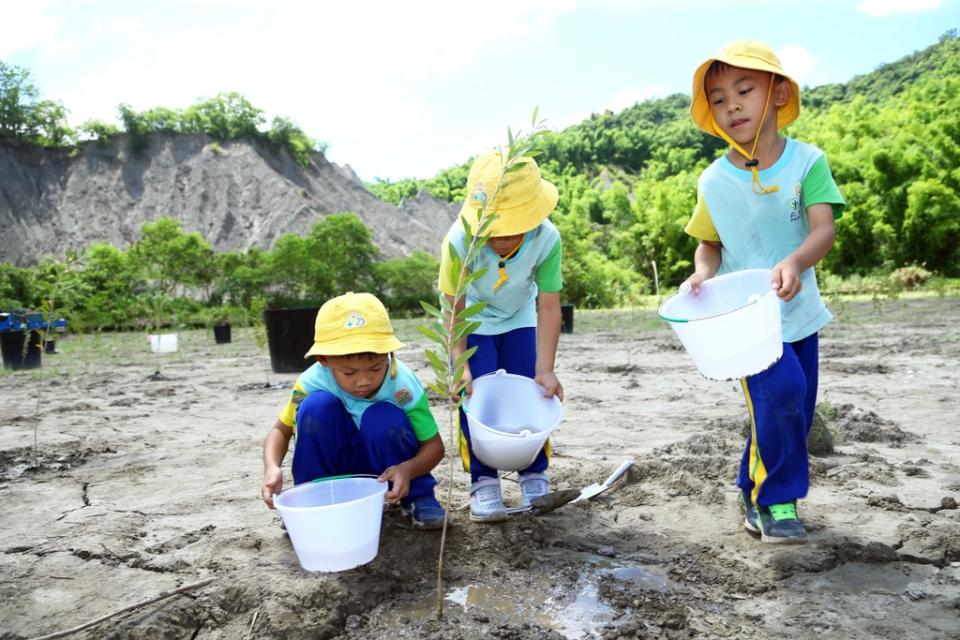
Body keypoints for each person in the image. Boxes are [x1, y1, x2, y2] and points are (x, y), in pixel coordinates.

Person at [682, 40, 846, 543]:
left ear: (777, 94)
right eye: (718, 97)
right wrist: (701, 274)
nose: (731, 103)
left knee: (790, 407)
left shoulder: (807, 162)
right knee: (783, 398)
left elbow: (824, 229)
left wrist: (794, 262)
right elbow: (709, 244)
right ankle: (774, 501)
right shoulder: (713, 181)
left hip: (798, 315)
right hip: (747, 325)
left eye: (744, 90)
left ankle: (747, 483)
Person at [438, 149, 564, 523]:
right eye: (489, 231)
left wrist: (546, 368)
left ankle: (534, 475)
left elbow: (549, 306)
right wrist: (459, 365)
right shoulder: (458, 242)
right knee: (476, 396)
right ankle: (484, 482)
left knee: (532, 390)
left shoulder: (547, 239)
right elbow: (454, 308)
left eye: (510, 231)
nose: (498, 240)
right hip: (473, 321)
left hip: (520, 316)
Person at [260, 292, 447, 530]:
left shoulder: (403, 385)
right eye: (349, 373)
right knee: (316, 408)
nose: (363, 381)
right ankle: (313, 501)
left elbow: (434, 446)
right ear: (324, 360)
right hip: (335, 473)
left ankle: (418, 497)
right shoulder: (311, 383)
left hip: (389, 472)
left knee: (382, 417)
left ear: (389, 354)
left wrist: (408, 470)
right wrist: (272, 468)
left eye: (376, 368)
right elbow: (280, 430)